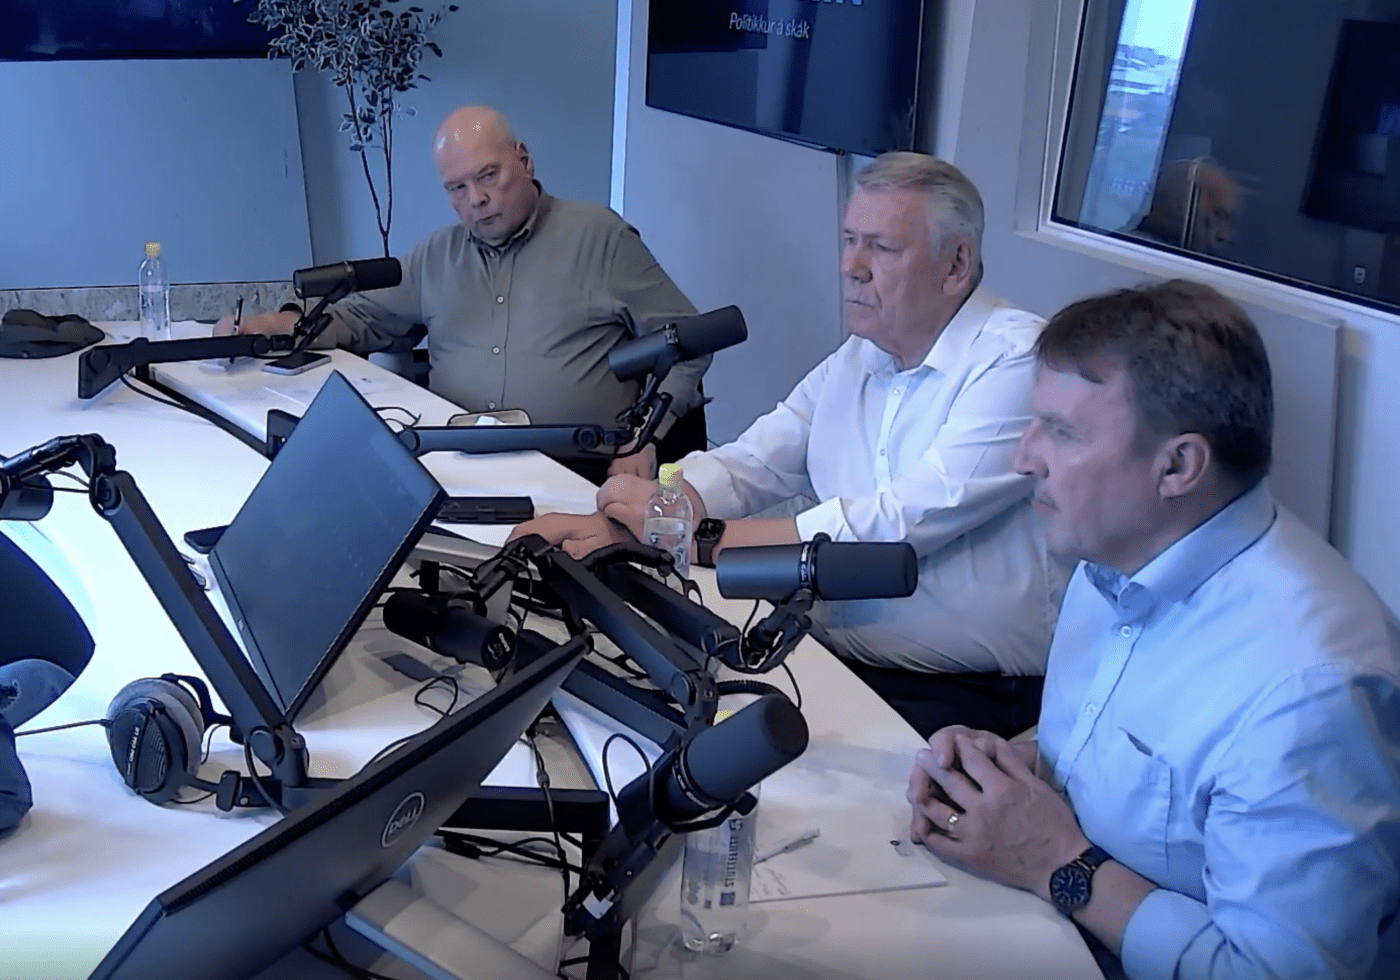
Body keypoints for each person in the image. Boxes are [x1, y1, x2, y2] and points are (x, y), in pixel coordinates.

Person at [907, 280, 1400, 979]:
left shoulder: (1311, 691)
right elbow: (1136, 777)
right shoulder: (1113, 556)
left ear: (1177, 466)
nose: (1024, 457)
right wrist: (1007, 769)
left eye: (1061, 432)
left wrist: (1056, 860)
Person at [513, 152, 1066, 739]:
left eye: (881, 248)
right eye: (849, 240)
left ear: (956, 264)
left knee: (732, 763)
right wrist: (640, 517)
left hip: (963, 694)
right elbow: (757, 459)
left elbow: (897, 523)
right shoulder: (862, 354)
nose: (850, 266)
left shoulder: (1020, 362)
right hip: (833, 651)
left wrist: (701, 538)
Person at [222, 105, 708, 480]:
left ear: (523, 160)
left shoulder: (600, 237)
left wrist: (645, 439)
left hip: (573, 470)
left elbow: (689, 341)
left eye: (488, 176)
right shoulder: (437, 255)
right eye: (456, 188)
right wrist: (269, 325)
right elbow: (358, 319)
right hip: (455, 465)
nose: (476, 199)